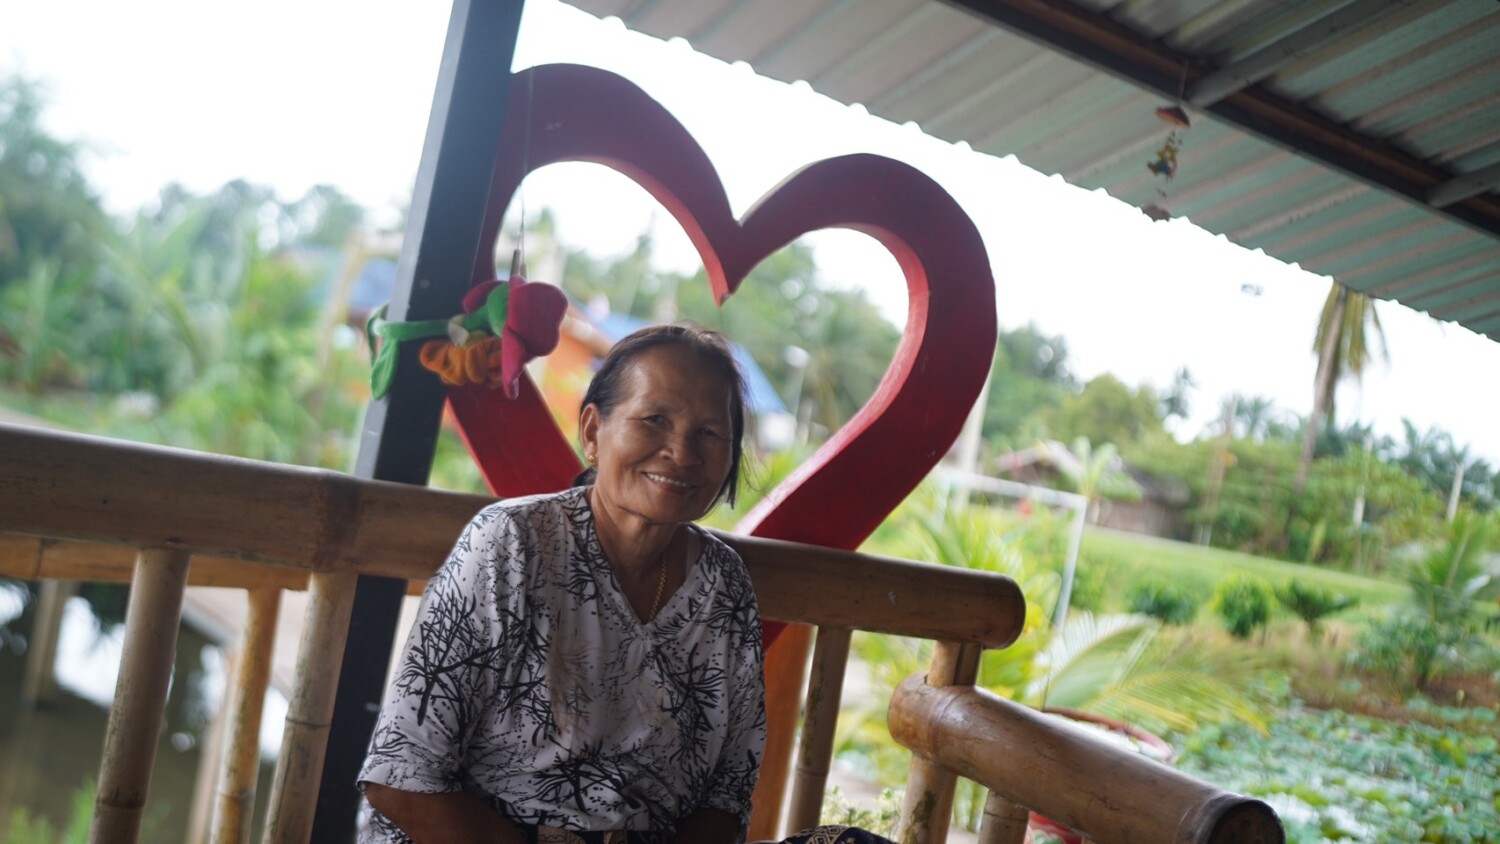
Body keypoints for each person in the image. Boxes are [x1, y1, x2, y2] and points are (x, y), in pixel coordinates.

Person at [358, 323, 894, 844]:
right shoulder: (512, 543)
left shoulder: (723, 585)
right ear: (593, 431)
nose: (682, 452)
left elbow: (726, 796)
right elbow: (402, 778)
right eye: (655, 420)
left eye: (709, 433)